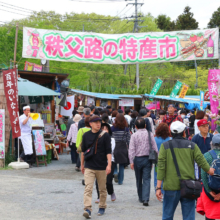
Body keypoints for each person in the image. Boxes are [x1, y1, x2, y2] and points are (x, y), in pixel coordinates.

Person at [156, 121, 215, 220]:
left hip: (170, 186)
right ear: (184, 132)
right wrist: (211, 171)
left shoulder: (165, 146)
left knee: (167, 216)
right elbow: (202, 162)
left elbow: (161, 167)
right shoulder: (192, 145)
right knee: (189, 217)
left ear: (171, 133)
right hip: (189, 187)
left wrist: (158, 187)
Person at [81, 115, 112, 218]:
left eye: (99, 122)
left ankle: (102, 206)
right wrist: (82, 164)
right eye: (96, 122)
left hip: (102, 166)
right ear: (90, 124)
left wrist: (109, 165)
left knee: (102, 189)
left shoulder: (105, 135)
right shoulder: (85, 135)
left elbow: (108, 151)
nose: (98, 124)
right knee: (88, 188)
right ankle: (87, 209)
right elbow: (83, 151)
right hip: (89, 166)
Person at [129, 117, 158, 206]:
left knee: (138, 179)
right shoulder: (150, 134)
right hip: (147, 159)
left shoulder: (134, 135)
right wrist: (155, 158)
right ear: (145, 125)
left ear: (136, 127)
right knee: (146, 179)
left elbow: (131, 149)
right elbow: (155, 148)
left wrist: (131, 161)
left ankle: (141, 197)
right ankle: (146, 199)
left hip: (137, 159)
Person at [196, 134, 220, 220]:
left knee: (210, 215)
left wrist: (209, 191)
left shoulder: (206, 155)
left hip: (209, 190)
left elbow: (203, 175)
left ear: (212, 144)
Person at [95, 123, 116, 203]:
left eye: (106, 129)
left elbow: (110, 150)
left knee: (108, 181)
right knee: (98, 180)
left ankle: (111, 192)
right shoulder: (96, 138)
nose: (104, 131)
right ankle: (99, 196)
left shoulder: (112, 140)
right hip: (99, 161)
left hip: (110, 161)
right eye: (102, 129)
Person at [111, 113, 130, 185]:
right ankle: (120, 181)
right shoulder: (126, 129)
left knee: (114, 162)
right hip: (123, 147)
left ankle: (115, 172)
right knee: (122, 165)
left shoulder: (112, 128)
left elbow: (110, 138)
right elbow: (128, 139)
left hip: (114, 147)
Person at [154, 123, 171, 195]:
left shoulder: (155, 139)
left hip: (157, 160)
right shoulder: (170, 139)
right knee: (167, 175)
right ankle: (165, 190)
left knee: (157, 175)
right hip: (168, 160)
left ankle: (157, 189)